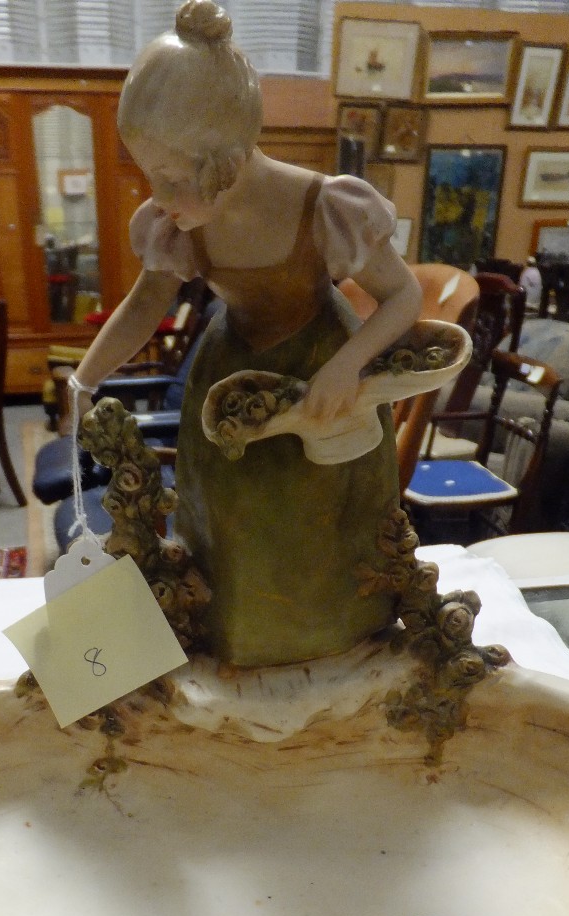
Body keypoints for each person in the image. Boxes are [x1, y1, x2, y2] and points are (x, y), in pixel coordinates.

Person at [73, 0, 422, 667]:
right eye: (152, 175)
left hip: (322, 382)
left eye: (173, 177)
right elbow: (145, 304)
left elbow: (401, 295)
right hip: (228, 379)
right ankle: (229, 654)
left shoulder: (324, 208)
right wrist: (85, 377)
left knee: (312, 529)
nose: (161, 196)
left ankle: (326, 661)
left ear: (228, 161)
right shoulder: (176, 222)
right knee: (225, 521)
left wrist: (349, 362)